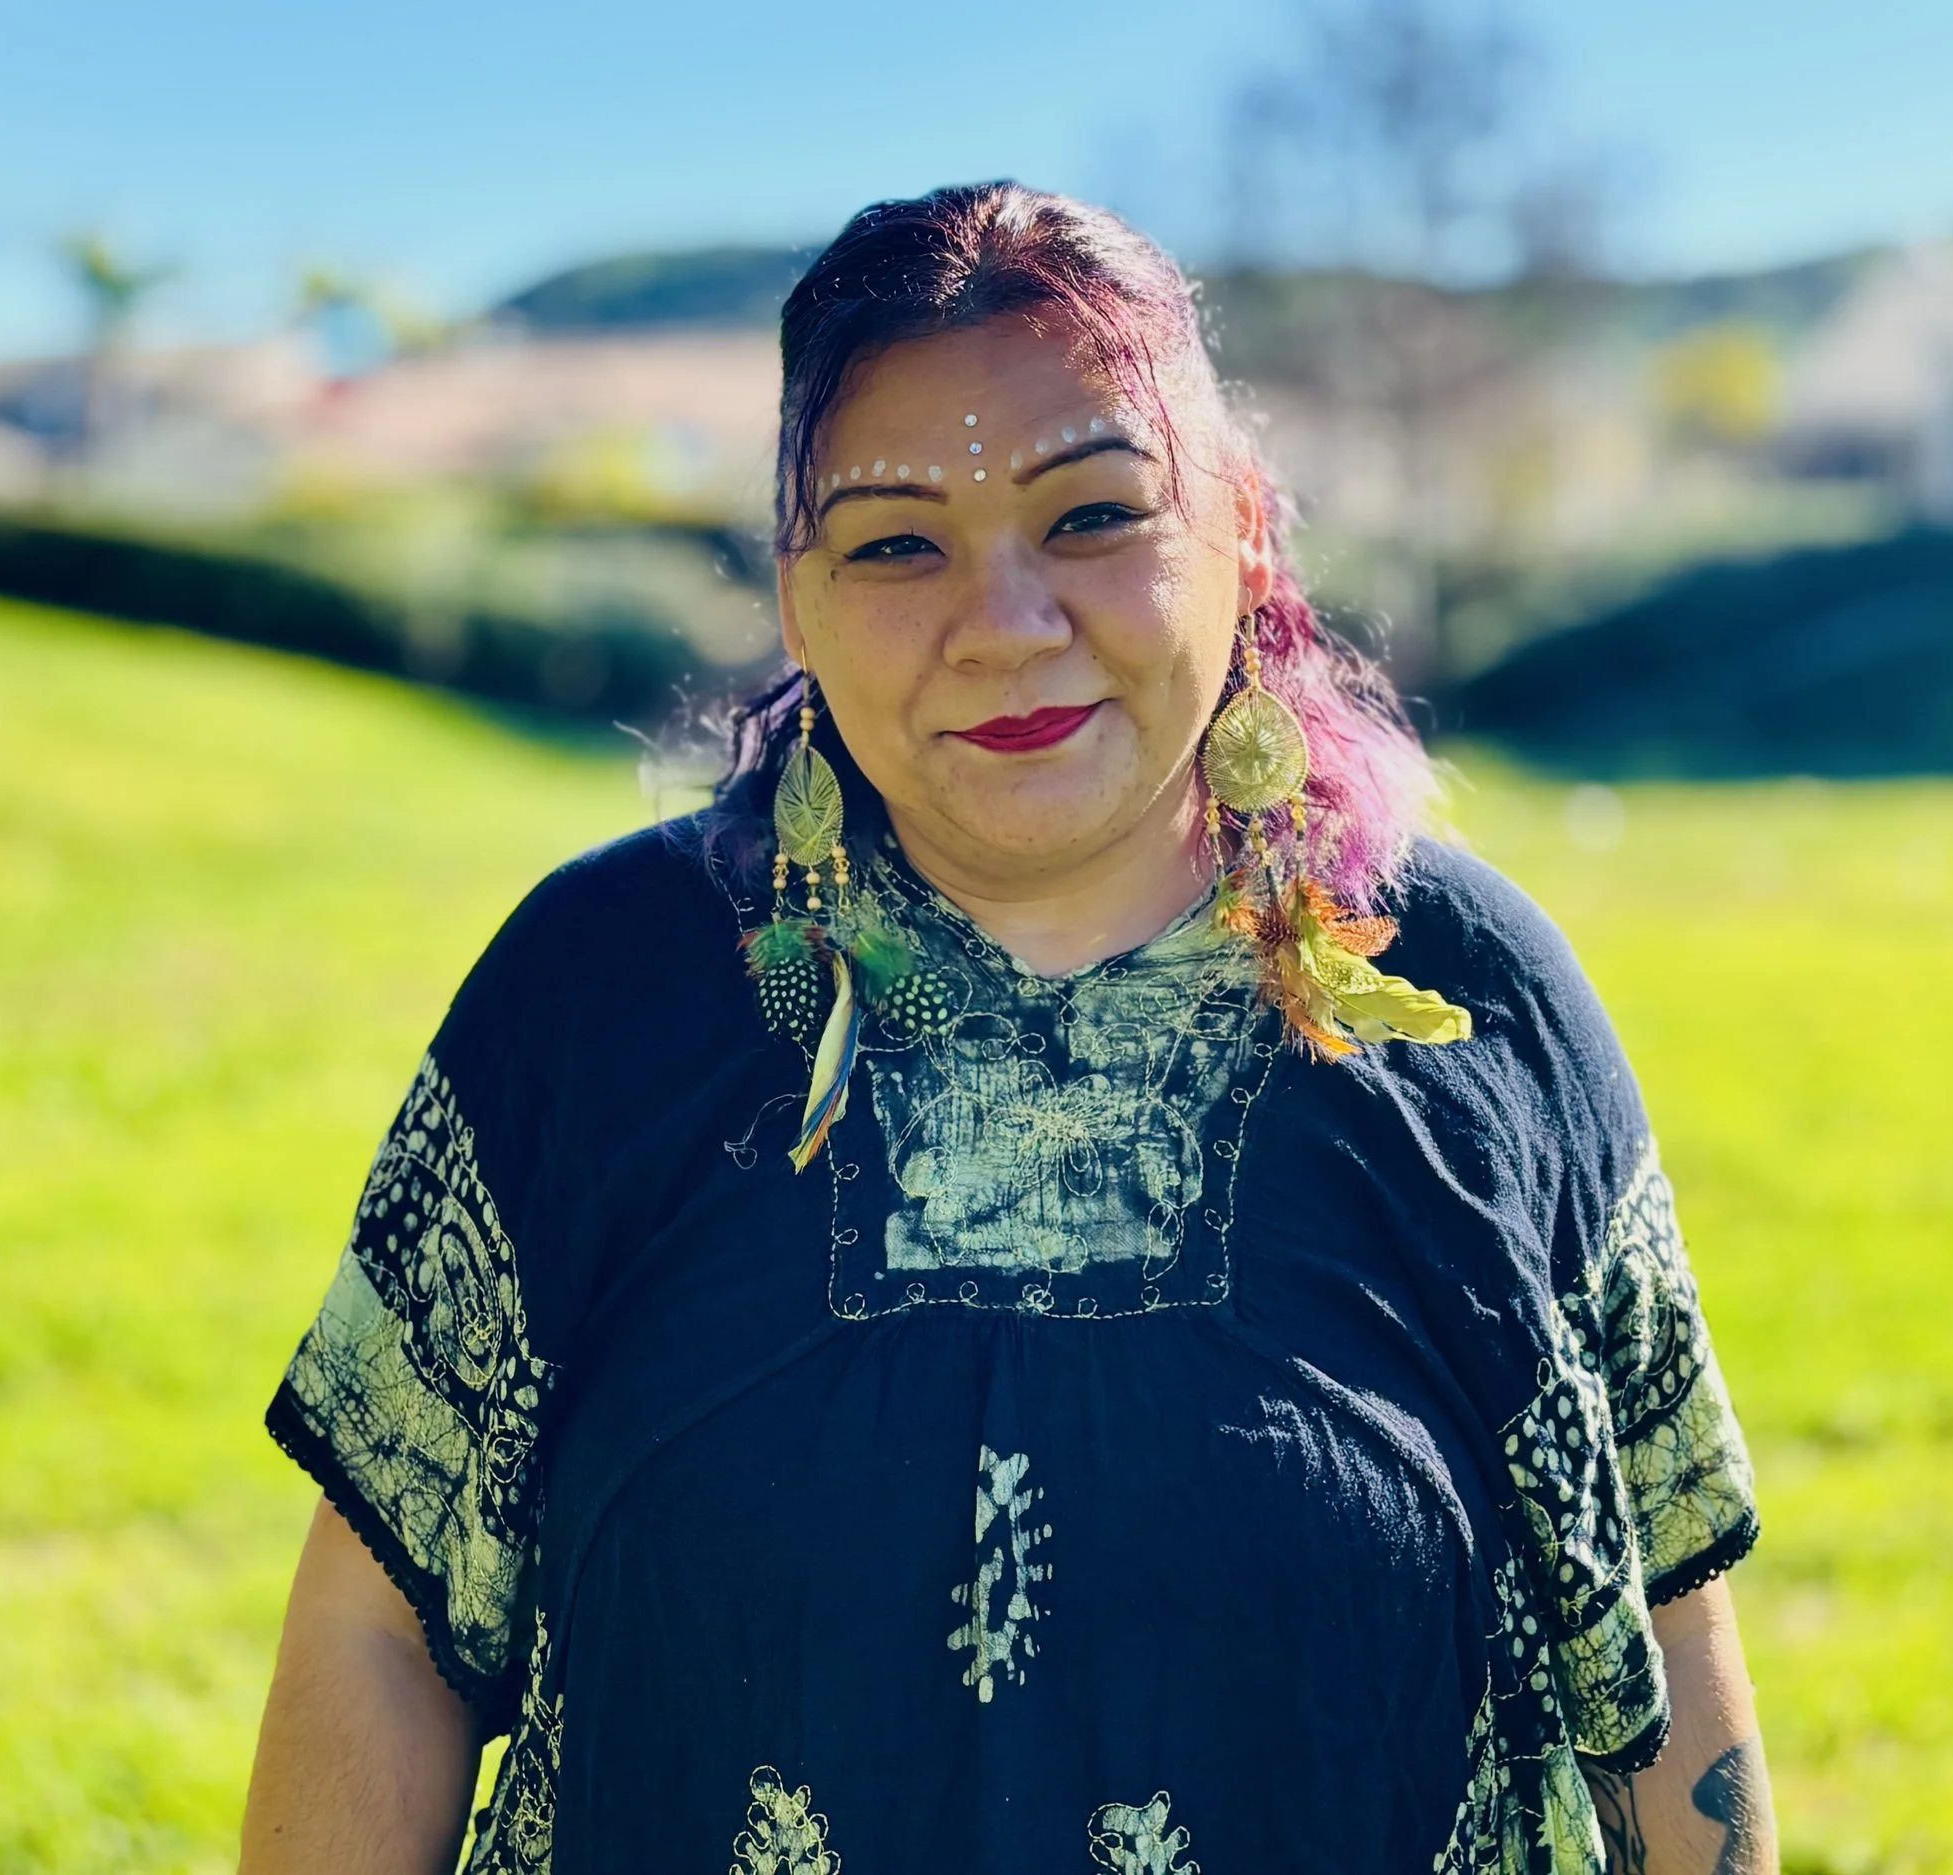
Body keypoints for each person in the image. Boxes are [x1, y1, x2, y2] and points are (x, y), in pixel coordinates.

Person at [238, 182, 1775, 1875]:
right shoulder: (600, 992)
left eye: (1096, 515)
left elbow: (1668, 1661)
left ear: (1246, 530)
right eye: (897, 541)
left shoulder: (1473, 1003)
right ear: (798, 597)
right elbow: (378, 1633)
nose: (1008, 624)